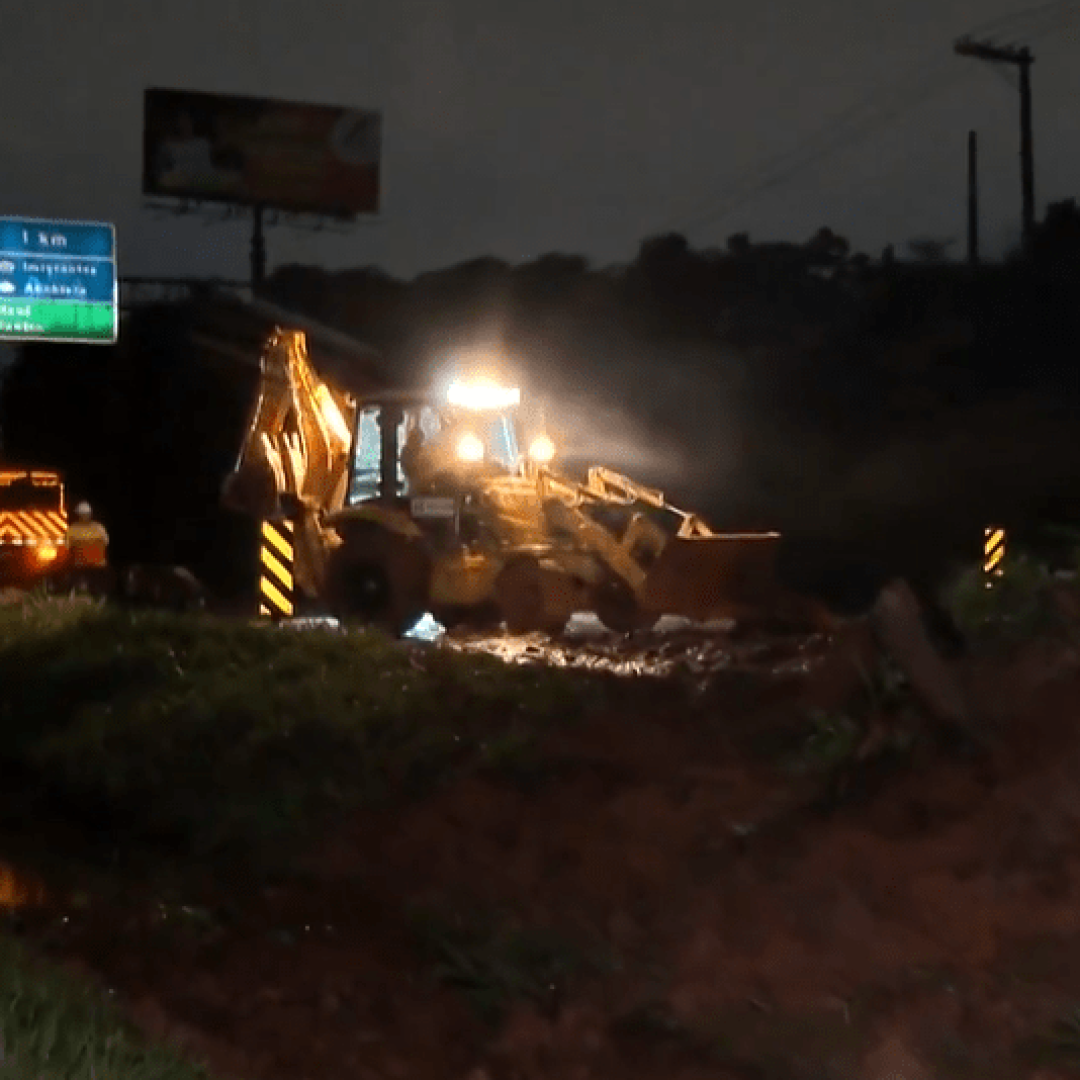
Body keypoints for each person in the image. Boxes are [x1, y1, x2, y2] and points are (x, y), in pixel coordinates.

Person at [64, 501, 110, 595]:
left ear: (78, 515)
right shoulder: (99, 527)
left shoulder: (73, 529)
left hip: (80, 564)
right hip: (99, 564)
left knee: (70, 577)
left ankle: (75, 593)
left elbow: (67, 546)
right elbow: (106, 542)